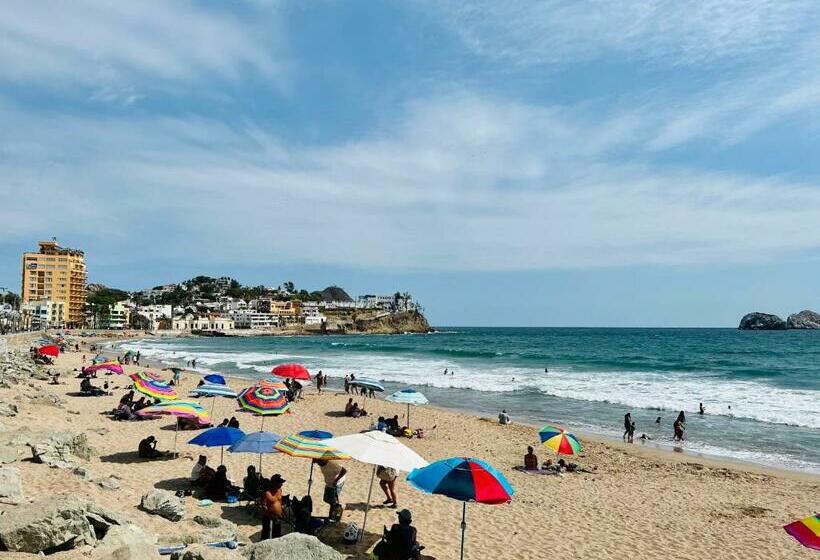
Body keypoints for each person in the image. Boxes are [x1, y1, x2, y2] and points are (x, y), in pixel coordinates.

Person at [260, 474, 285, 539]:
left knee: (277, 534)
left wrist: (280, 510)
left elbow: (280, 501)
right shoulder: (266, 493)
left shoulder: (279, 490)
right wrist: (272, 516)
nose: (281, 485)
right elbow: (263, 507)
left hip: (278, 516)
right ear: (274, 483)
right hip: (268, 517)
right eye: (279, 483)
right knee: (267, 534)